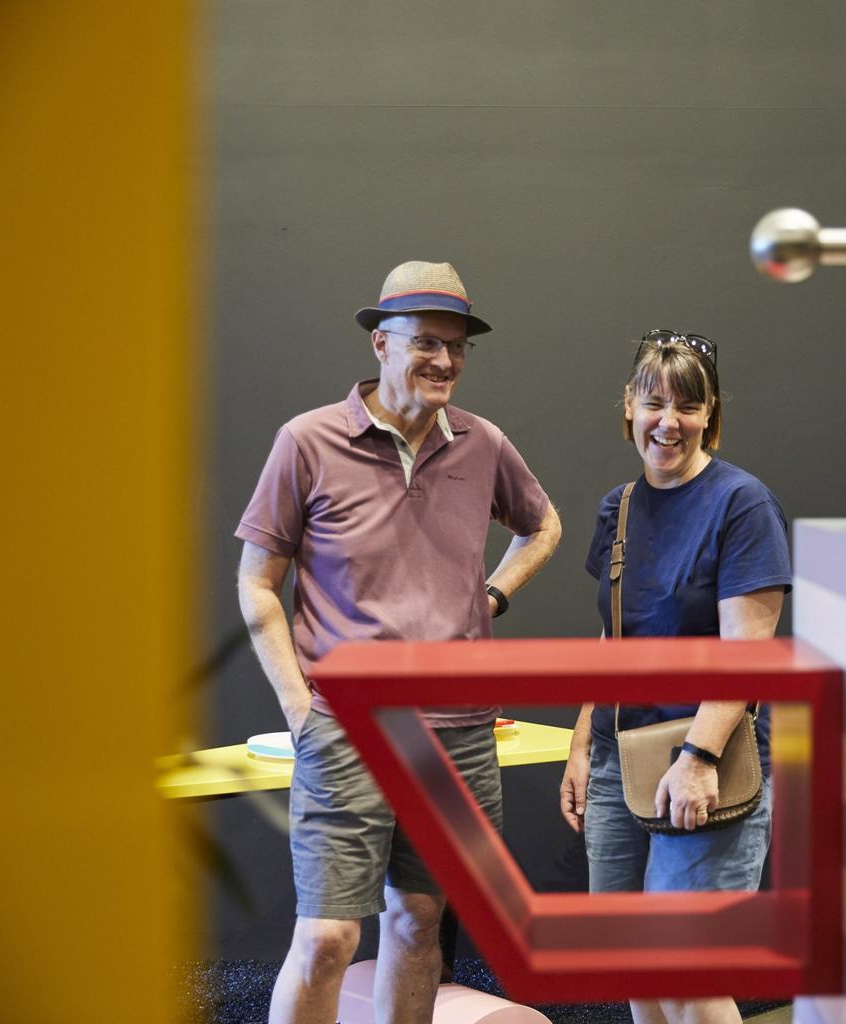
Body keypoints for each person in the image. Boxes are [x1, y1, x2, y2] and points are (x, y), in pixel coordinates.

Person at [236, 261, 561, 1024]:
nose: (445, 360)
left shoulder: (482, 442)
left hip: (459, 732)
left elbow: (542, 525)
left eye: (458, 346)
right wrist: (301, 710)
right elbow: (258, 585)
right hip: (346, 727)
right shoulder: (308, 441)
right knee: (327, 937)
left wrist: (491, 595)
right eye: (426, 343)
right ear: (381, 343)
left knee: (419, 924)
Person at [561, 330, 792, 1024]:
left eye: (688, 406)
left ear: (710, 414)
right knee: (634, 961)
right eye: (654, 403)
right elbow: (614, 638)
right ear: (628, 407)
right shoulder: (620, 507)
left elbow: (747, 655)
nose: (669, 422)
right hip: (620, 760)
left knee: (688, 974)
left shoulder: (742, 504)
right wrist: (582, 743)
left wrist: (698, 758)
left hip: (706, 761)